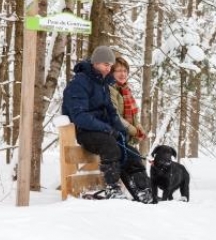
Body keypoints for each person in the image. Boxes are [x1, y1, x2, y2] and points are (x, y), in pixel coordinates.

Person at [62, 46, 152, 203]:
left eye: (110, 65)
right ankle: (112, 188)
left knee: (132, 153)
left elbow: (111, 112)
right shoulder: (79, 83)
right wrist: (106, 128)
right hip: (85, 131)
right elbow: (79, 116)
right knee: (111, 147)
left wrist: (120, 130)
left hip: (103, 131)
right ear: (95, 63)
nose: (108, 68)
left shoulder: (103, 83)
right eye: (106, 64)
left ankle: (143, 190)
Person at [108, 56, 152, 203]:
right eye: (118, 70)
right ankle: (141, 193)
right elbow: (115, 116)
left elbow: (133, 117)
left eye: (125, 70)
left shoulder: (126, 90)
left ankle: (145, 191)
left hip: (122, 136)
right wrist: (133, 130)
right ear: (111, 72)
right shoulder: (110, 89)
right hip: (112, 135)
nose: (122, 74)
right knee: (132, 155)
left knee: (133, 155)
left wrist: (139, 129)